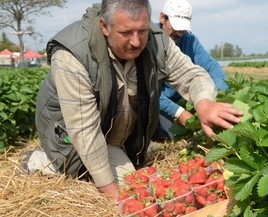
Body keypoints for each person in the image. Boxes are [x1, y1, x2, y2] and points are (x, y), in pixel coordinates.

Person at [23, 0, 243, 201]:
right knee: (128, 184)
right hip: (70, 131)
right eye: (126, 32)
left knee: (136, 174)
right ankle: (45, 161)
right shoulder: (73, 55)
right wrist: (114, 196)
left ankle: (117, 152)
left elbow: (192, 74)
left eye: (142, 31)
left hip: (111, 124)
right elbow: (84, 130)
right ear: (104, 26)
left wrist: (204, 102)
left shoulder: (156, 40)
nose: (136, 41)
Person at [153, 0, 230, 141]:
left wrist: (223, 96)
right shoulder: (149, 40)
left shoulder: (189, 41)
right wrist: (179, 112)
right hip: (155, 102)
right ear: (162, 18)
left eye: (183, 28)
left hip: (182, 97)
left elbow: (210, 66)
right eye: (176, 27)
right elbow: (148, 90)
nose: (180, 32)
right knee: (168, 138)